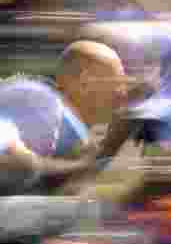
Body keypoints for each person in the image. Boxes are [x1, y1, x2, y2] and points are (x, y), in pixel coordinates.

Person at [0, 41, 142, 192]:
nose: (123, 93)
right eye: (116, 83)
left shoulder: (76, 133)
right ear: (85, 82)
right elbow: (19, 163)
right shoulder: (42, 102)